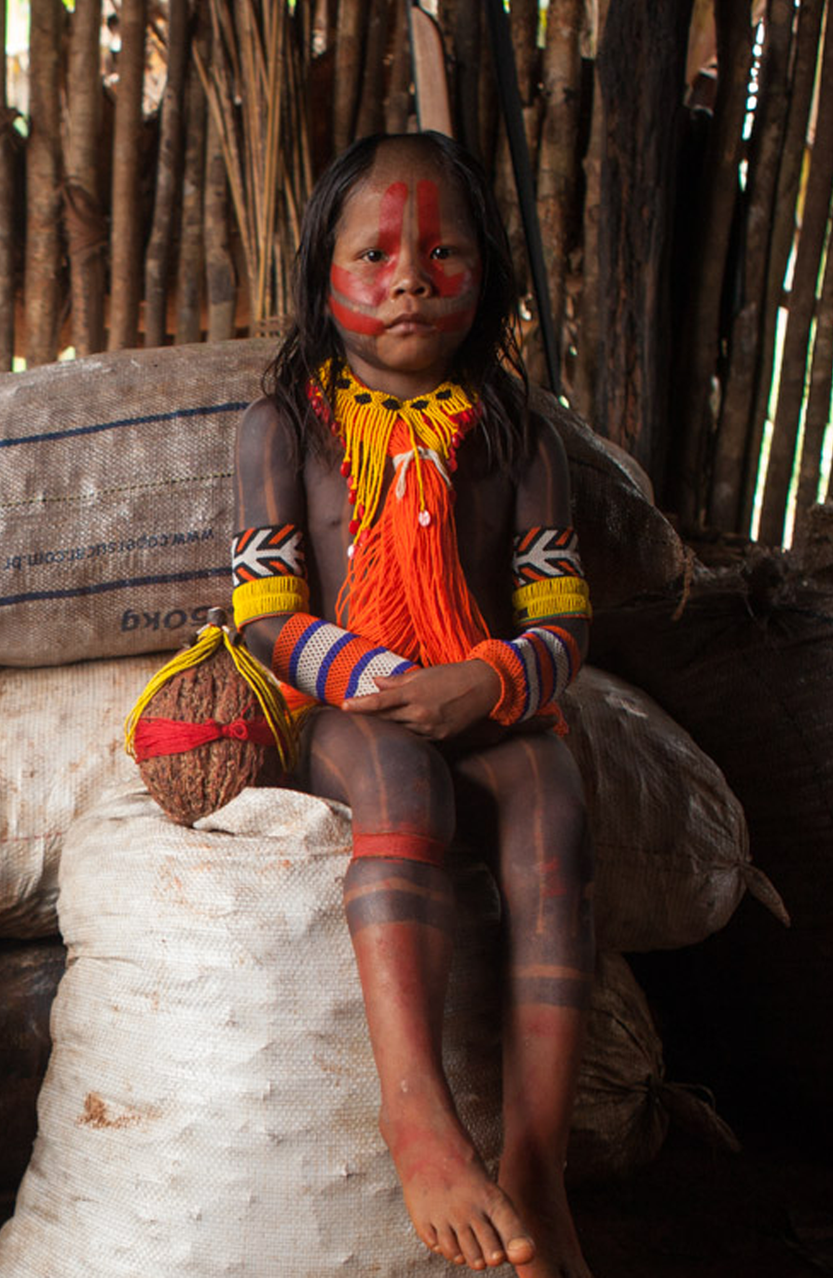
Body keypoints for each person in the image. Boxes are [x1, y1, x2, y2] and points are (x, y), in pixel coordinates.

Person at [230, 130, 595, 1277]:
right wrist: (383, 686)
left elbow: (563, 613)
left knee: (551, 786)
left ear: (485, 273)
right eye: (374, 252)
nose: (408, 278)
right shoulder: (284, 427)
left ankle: (536, 1154)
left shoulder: (515, 435)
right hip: (350, 709)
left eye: (442, 251)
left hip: (480, 694)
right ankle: (417, 1117)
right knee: (401, 781)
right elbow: (263, 612)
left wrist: (488, 679)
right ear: (317, 275)